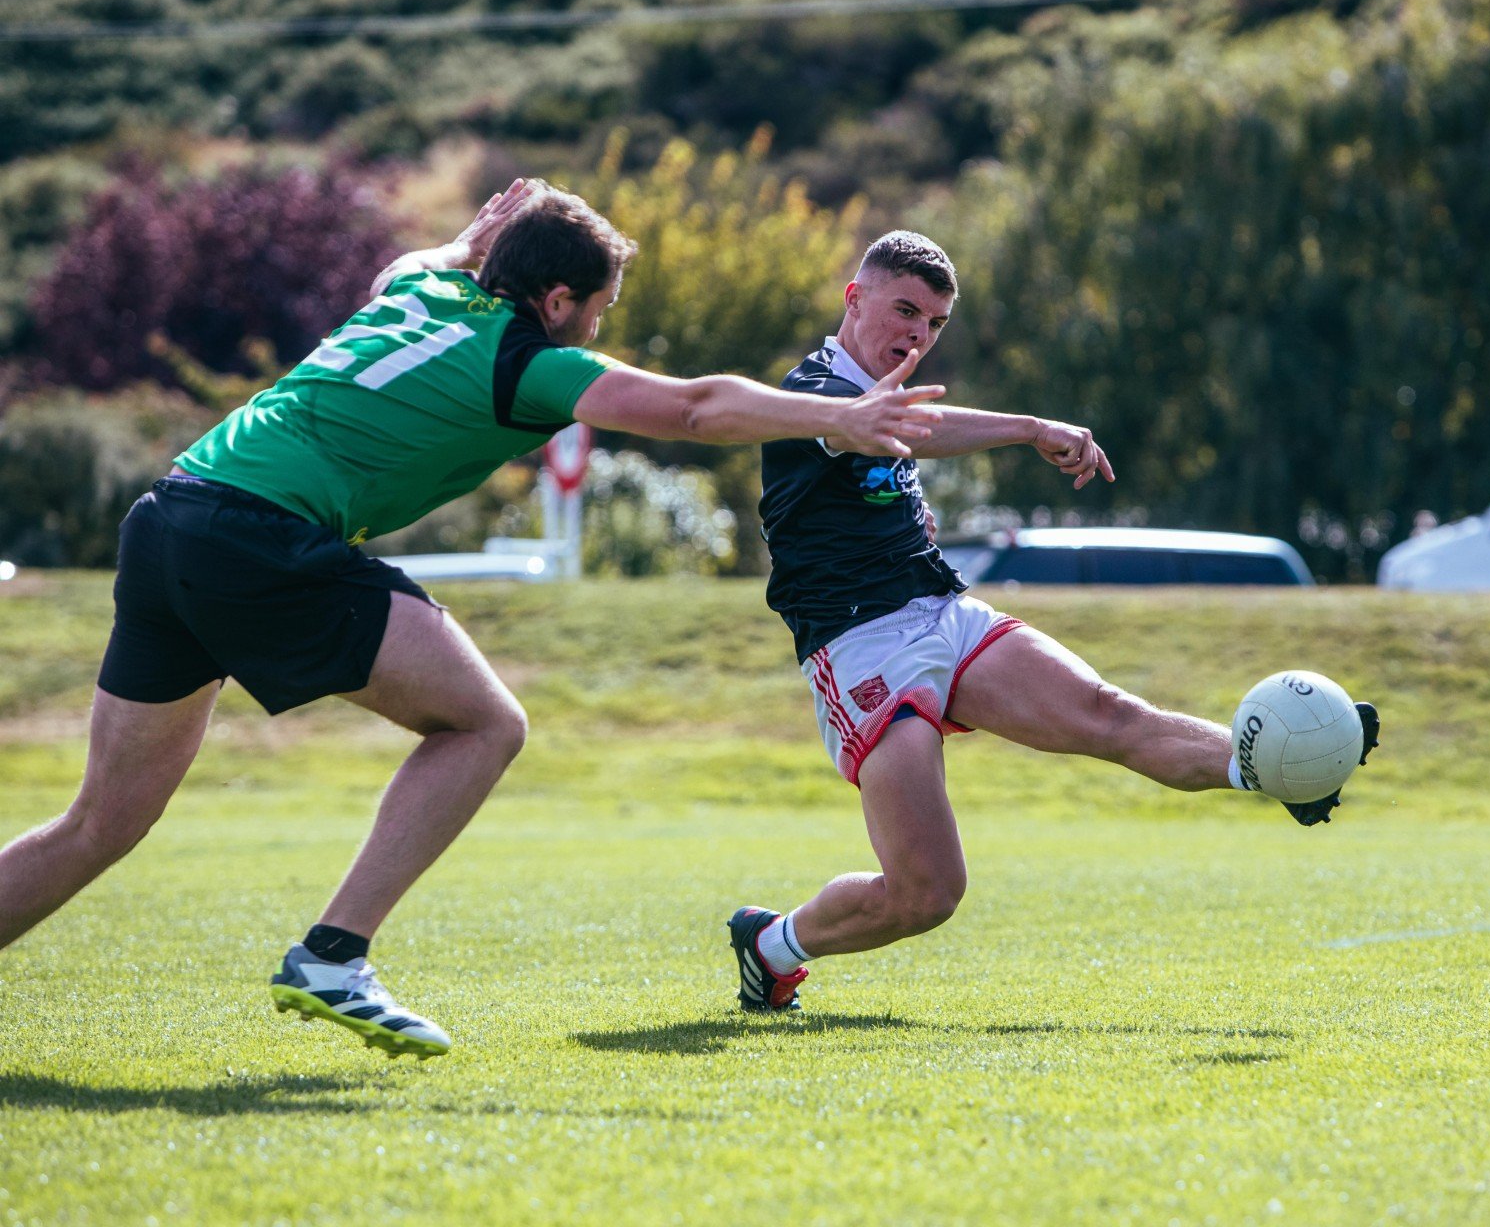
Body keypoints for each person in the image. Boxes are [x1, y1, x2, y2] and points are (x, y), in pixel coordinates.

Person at [0, 179, 944, 1057]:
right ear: (564, 300)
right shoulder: (525, 361)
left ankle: (328, 952)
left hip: (170, 516)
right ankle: (333, 954)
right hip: (257, 537)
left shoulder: (414, 291)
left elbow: (413, 261)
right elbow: (694, 409)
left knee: (101, 821)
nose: (598, 328)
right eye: (601, 311)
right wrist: (841, 419)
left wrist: (468, 239)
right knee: (484, 723)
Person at [730, 231, 1380, 1012]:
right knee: (928, 892)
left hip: (944, 612)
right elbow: (878, 429)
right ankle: (770, 945)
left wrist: (1029, 430)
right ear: (854, 297)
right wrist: (1032, 429)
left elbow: (909, 430)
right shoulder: (810, 396)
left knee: (1111, 713)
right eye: (904, 310)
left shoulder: (891, 397)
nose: (917, 334)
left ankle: (1268, 766)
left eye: (934, 324)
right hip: (861, 646)